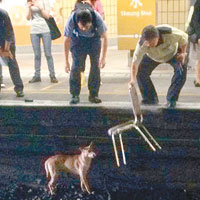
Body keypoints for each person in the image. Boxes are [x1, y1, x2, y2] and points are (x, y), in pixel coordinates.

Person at [129, 24, 188, 108]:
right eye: (147, 43)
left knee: (181, 70)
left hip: (173, 53)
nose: (149, 45)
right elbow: (135, 63)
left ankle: (171, 99)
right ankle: (150, 99)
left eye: (151, 42)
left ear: (157, 37)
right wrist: (132, 79)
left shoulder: (170, 33)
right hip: (153, 57)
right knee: (140, 71)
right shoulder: (142, 44)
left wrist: (183, 53)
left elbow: (184, 38)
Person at [64, 3, 107, 104]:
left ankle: (93, 95)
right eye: (81, 27)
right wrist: (66, 61)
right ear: (77, 23)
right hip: (77, 41)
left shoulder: (97, 18)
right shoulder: (72, 19)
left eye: (87, 27)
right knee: (76, 66)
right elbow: (66, 41)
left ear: (91, 22)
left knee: (95, 66)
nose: (84, 29)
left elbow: (105, 38)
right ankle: (74, 95)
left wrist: (103, 57)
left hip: (94, 40)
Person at [26, 0, 58, 83]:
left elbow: (47, 16)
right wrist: (29, 8)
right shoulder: (29, 1)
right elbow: (28, 18)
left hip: (45, 29)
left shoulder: (44, 1)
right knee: (37, 54)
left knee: (48, 54)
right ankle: (37, 75)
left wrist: (40, 8)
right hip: (34, 30)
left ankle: (52, 75)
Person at [0, 5, 24, 97]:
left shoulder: (3, 14)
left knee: (12, 63)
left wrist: (6, 49)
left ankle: (19, 88)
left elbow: (9, 32)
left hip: (7, 41)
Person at [187, 0, 200, 87]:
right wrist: (199, 36)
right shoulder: (198, 3)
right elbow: (195, 20)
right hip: (198, 33)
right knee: (199, 58)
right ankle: (198, 79)